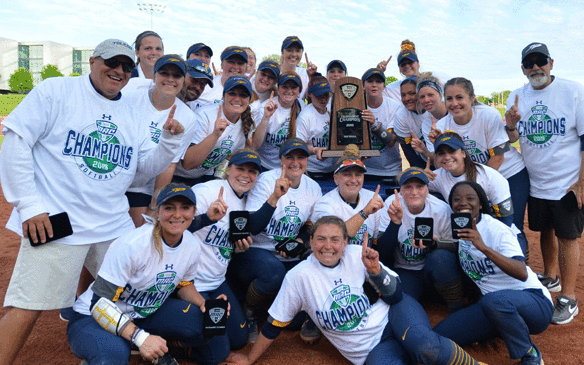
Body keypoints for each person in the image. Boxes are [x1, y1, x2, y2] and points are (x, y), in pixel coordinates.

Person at [0, 38, 185, 364]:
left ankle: (103, 348)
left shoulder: (130, 109)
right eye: (112, 62)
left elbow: (140, 171)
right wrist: (29, 204)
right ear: (93, 61)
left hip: (111, 220)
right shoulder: (57, 91)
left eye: (126, 67)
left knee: (132, 293)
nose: (119, 71)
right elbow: (17, 139)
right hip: (59, 219)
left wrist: (169, 144)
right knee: (29, 306)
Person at [225, 216, 485, 365]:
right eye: (321, 239)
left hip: (394, 315)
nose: (328, 246)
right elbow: (273, 324)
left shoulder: (356, 255)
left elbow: (395, 296)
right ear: (311, 242)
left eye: (335, 239)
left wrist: (375, 271)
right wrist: (249, 359)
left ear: (345, 241)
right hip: (369, 350)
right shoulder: (299, 277)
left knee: (425, 346)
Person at [66, 183, 232, 365]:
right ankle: (109, 350)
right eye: (169, 208)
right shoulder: (132, 245)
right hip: (93, 317)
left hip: (143, 315)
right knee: (112, 358)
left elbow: (184, 285)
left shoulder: (192, 245)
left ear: (194, 212)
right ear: (158, 211)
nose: (177, 215)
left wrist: (203, 303)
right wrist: (139, 337)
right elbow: (99, 304)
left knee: (207, 326)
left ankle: (153, 348)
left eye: (185, 208)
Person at [505, 42, 584, 324]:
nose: (535, 67)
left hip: (566, 182)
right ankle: (551, 277)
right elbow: (514, 139)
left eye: (540, 61)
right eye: (529, 63)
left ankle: (569, 298)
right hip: (535, 180)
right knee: (545, 231)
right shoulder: (516, 96)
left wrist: (581, 182)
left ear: (551, 63)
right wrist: (511, 124)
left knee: (567, 237)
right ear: (523, 69)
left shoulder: (573, 90)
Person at [434, 181, 553, 365]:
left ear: (480, 203)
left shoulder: (497, 230)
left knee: (493, 300)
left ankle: (530, 353)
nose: (463, 202)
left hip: (534, 303)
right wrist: (434, 245)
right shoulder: (460, 227)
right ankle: (501, 327)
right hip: (495, 307)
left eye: (470, 198)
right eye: (457, 199)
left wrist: (483, 247)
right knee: (442, 334)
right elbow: (460, 249)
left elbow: (521, 272)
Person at [227, 139, 322, 342]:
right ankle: (250, 310)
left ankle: (266, 302)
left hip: (286, 254)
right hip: (254, 251)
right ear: (280, 160)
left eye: (301, 157)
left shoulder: (313, 187)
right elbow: (252, 226)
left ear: (307, 160)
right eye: (289, 157)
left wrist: (300, 241)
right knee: (273, 271)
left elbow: (309, 224)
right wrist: (275, 197)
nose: (295, 162)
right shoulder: (265, 180)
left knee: (293, 322)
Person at [431, 77, 529, 259]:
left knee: (510, 224)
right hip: (473, 181)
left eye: (459, 97)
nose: (454, 104)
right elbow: (441, 164)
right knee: (477, 222)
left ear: (472, 98)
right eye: (449, 99)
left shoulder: (487, 115)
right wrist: (434, 144)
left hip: (509, 173)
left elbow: (497, 158)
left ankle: (519, 264)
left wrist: (472, 189)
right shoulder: (443, 126)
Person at [125, 55, 198, 227]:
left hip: (141, 187)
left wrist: (154, 205)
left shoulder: (187, 118)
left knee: (138, 236)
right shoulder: (130, 99)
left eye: (177, 76)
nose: (170, 79)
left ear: (183, 80)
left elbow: (169, 165)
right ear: (155, 76)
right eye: (165, 73)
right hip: (114, 180)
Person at [377, 168, 464, 312]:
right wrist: (395, 223)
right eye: (408, 187)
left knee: (441, 258)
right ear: (400, 190)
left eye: (420, 186)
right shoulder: (392, 204)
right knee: (400, 305)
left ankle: (457, 308)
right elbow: (383, 252)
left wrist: (435, 244)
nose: (414, 192)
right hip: (406, 270)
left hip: (433, 268)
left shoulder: (441, 209)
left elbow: (457, 247)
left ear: (427, 189)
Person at [174, 76, 255, 186]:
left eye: (243, 95)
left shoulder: (246, 124)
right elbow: (188, 164)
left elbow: (228, 158)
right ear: (223, 96)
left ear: (249, 100)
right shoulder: (204, 115)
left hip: (204, 177)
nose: (237, 99)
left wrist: (218, 180)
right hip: (177, 176)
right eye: (232, 93)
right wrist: (215, 135)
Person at [312, 145, 385, 247]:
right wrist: (364, 213)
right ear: (336, 179)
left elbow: (377, 242)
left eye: (358, 175)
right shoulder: (324, 203)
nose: (353, 180)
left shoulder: (373, 198)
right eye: (347, 174)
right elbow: (334, 236)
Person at [360, 68, 402, 190]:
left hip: (390, 172)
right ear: (363, 86)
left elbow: (391, 141)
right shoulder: (355, 106)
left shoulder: (395, 107)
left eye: (378, 81)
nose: (374, 85)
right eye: (370, 81)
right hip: (363, 170)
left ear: (384, 86)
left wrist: (374, 124)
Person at [253, 72, 303, 170]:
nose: (289, 91)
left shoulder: (302, 108)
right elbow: (255, 144)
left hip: (288, 167)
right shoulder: (266, 105)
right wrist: (266, 117)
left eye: (293, 87)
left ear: (299, 91)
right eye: (285, 87)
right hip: (264, 165)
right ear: (278, 89)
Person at [377, 39, 449, 102]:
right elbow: (376, 96)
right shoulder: (393, 88)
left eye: (410, 62)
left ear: (418, 64)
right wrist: (379, 73)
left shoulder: (435, 76)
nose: (407, 66)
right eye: (403, 64)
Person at [296, 76, 336, 179]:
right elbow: (298, 146)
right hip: (311, 171)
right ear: (310, 94)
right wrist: (315, 150)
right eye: (319, 95)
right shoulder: (305, 117)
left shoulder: (333, 112)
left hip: (332, 170)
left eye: (326, 95)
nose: (323, 99)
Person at [392, 76, 433, 169]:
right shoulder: (401, 116)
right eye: (403, 95)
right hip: (422, 161)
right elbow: (409, 153)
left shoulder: (433, 109)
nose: (407, 98)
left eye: (412, 93)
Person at [279, 36, 316, 101]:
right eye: (289, 50)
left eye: (298, 51)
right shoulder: (274, 72)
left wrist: (312, 77)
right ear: (282, 52)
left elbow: (310, 99)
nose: (294, 54)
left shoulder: (305, 74)